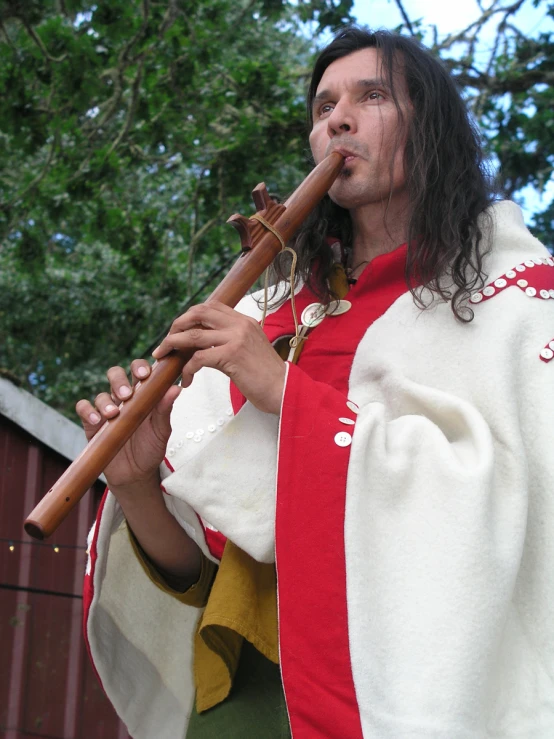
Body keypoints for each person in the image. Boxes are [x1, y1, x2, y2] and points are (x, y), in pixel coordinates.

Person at [79, 27, 554, 739]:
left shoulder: (513, 297)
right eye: (324, 103)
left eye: (372, 95)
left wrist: (285, 392)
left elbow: (507, 504)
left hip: (409, 703)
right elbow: (203, 575)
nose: (337, 118)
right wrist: (136, 480)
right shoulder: (266, 312)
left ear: (432, 128)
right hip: (248, 704)